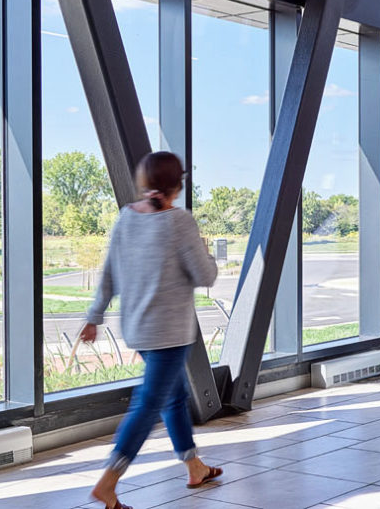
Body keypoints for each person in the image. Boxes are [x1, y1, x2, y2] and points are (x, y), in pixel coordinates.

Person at [80, 151, 222, 509]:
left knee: (172, 396)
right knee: (148, 404)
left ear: (143, 183)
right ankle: (108, 482)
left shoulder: (126, 218)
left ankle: (194, 466)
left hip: (139, 329)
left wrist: (94, 316)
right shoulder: (180, 222)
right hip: (170, 333)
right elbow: (206, 276)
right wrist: (208, 254)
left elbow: (109, 274)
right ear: (178, 185)